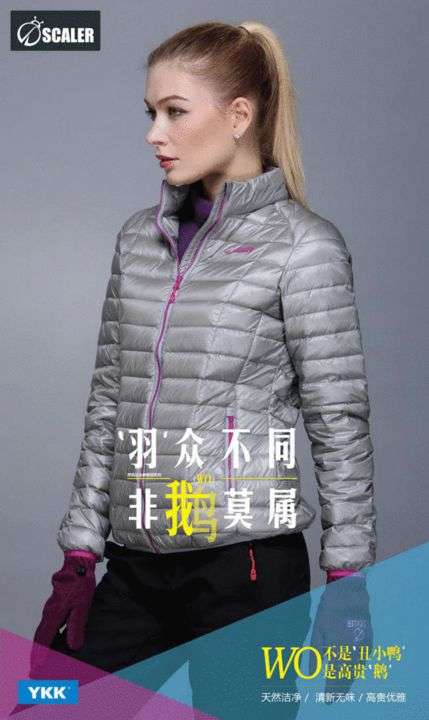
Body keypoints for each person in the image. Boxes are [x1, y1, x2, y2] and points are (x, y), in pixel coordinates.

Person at [27, 19, 376, 719]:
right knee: (52, 706)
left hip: (244, 571)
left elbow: (337, 419)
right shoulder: (138, 240)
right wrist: (79, 553)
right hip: (136, 560)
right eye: (150, 113)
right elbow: (109, 402)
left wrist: (347, 576)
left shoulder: (303, 247)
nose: (153, 134)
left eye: (174, 112)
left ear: (239, 116)